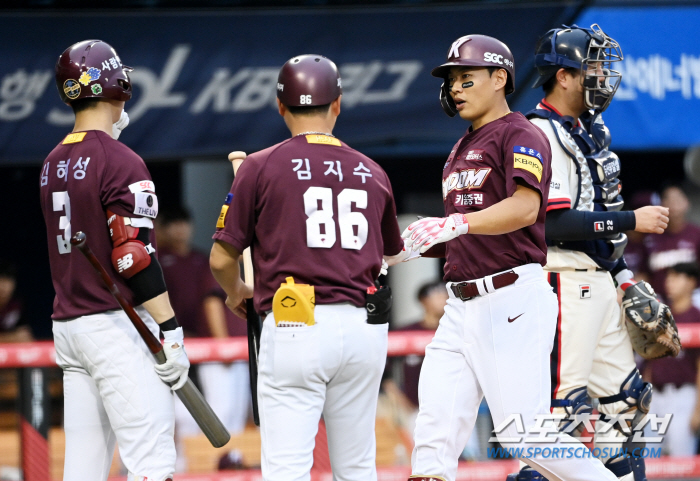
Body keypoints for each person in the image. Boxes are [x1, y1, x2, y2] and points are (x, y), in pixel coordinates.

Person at [401, 34, 618, 481]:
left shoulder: (520, 131)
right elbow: (469, 232)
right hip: (460, 303)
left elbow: (525, 208)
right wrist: (414, 244)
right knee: (433, 436)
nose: (455, 88)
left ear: (499, 77)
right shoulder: (460, 148)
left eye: (466, 78)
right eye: (451, 81)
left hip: (510, 298)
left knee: (527, 436)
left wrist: (456, 223)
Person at [209, 54, 406, 481]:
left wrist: (237, 291)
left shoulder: (260, 165)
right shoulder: (373, 170)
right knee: (357, 467)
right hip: (363, 327)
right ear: (337, 104)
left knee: (287, 468)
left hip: (295, 320)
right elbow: (390, 253)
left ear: (281, 106)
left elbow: (221, 259)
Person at [521, 25, 670, 481]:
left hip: (598, 278)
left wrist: (622, 275)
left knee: (628, 406)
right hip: (562, 278)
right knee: (562, 417)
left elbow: (597, 212)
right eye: (593, 68)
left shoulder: (589, 128)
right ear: (563, 76)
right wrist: (631, 220)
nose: (603, 77)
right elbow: (551, 223)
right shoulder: (540, 131)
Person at [40, 40, 189, 481]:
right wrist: (170, 329)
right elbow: (132, 255)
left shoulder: (51, 162)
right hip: (116, 325)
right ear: (116, 83)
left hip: (69, 326)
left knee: (82, 469)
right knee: (151, 465)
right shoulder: (120, 159)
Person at [157, 206, 249, 471]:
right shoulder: (165, 259)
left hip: (208, 342)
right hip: (178, 341)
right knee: (190, 409)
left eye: (184, 223)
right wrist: (221, 344)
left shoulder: (200, 258)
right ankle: (190, 465)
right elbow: (211, 301)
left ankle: (226, 463)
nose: (180, 230)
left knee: (230, 411)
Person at [644, 262, 700, 456]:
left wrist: (698, 409)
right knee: (648, 458)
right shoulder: (660, 316)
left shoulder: (697, 316)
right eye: (669, 278)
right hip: (655, 395)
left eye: (676, 277)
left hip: (683, 395)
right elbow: (650, 360)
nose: (670, 282)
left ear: (691, 282)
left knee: (681, 457)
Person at [642, 183, 700, 304]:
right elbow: (643, 272)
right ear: (661, 205)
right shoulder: (650, 237)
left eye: (677, 199)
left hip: (694, 298)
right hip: (657, 299)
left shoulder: (696, 234)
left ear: (687, 202)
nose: (673, 204)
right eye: (668, 200)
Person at [0, 260, 32, 343]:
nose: (3, 286)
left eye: (7, 280)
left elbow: (25, 337)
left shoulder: (17, 305)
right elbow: (17, 337)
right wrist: (11, 338)